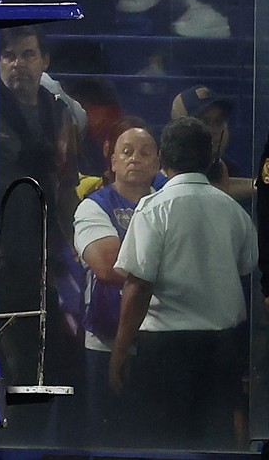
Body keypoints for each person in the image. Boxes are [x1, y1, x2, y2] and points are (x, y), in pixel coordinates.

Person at [109, 117, 255, 449]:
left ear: (162, 159)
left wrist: (120, 350)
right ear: (210, 158)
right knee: (216, 446)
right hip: (221, 349)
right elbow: (247, 265)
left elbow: (138, 285)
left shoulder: (152, 209)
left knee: (162, 446)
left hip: (164, 353)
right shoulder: (234, 211)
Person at [0, 25, 79, 385]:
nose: (18, 64)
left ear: (45, 60)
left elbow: (68, 184)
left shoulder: (60, 114)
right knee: (6, 347)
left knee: (49, 348)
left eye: (28, 54)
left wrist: (73, 242)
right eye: (9, 55)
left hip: (47, 247)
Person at [71, 119, 158, 443]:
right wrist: (162, 264)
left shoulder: (169, 202)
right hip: (105, 339)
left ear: (158, 163)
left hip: (158, 338)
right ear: (114, 162)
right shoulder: (94, 205)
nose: (135, 158)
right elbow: (108, 267)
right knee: (107, 436)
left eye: (145, 152)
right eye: (127, 151)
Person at [169, 85, 253, 200]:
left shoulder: (227, 168)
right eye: (204, 122)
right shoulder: (162, 169)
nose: (214, 130)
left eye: (219, 122)